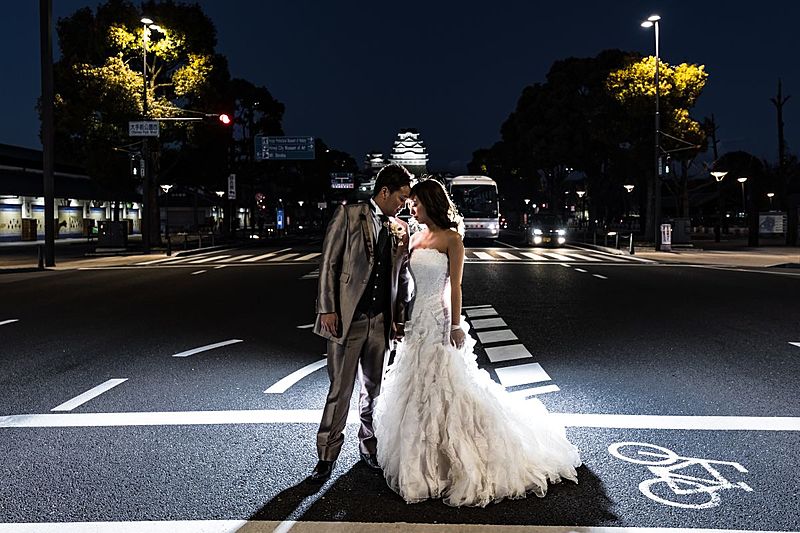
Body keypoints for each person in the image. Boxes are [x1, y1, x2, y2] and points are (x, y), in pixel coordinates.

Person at [374, 178, 581, 507]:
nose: (411, 209)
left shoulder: (452, 239)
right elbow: (403, 279)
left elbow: (455, 286)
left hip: (440, 319)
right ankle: (421, 463)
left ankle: (451, 461)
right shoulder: (413, 236)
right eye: (410, 204)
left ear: (430, 203)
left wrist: (456, 325)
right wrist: (400, 310)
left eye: (416, 203)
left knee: (446, 386)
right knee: (417, 387)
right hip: (417, 320)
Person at [309, 164, 413, 482]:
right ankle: (326, 455)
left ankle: (369, 447)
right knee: (339, 390)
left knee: (374, 389)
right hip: (347, 319)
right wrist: (327, 308)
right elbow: (329, 264)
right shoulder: (349, 215)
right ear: (385, 192)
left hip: (381, 321)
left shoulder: (399, 228)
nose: (404, 205)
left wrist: (399, 319)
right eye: (401, 198)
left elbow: (400, 277)